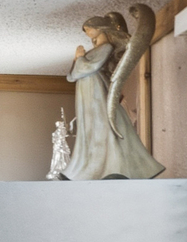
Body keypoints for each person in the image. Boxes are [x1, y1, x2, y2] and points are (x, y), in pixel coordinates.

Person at [61, 13, 163, 180]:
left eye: (89, 29)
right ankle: (90, 166)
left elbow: (89, 68)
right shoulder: (95, 50)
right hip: (86, 91)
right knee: (91, 126)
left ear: (100, 29)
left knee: (101, 123)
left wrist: (80, 59)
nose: (87, 33)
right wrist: (76, 60)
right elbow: (71, 77)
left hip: (95, 90)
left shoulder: (106, 48)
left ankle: (113, 165)